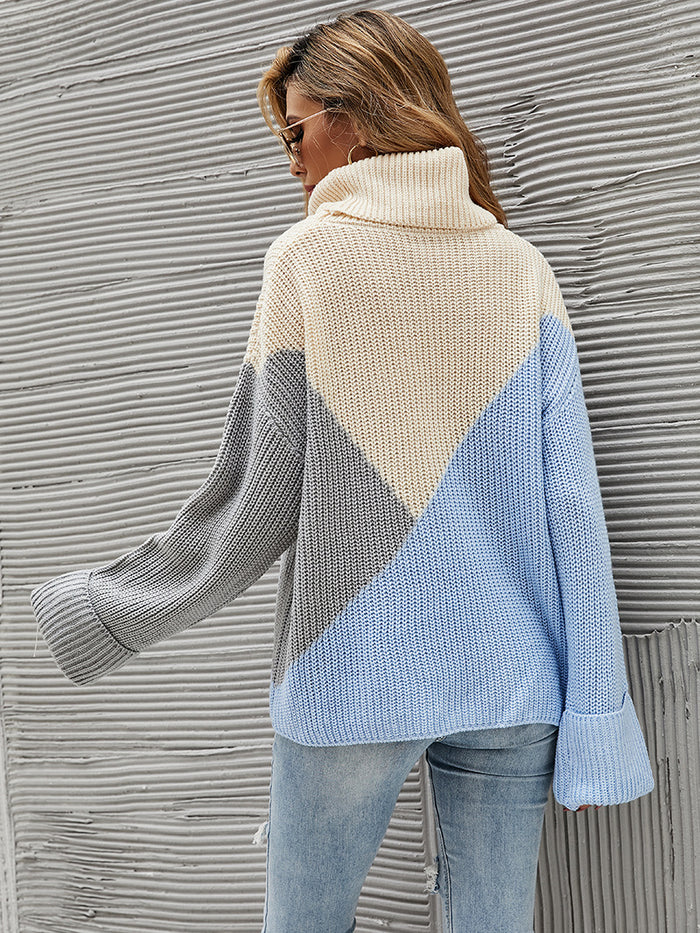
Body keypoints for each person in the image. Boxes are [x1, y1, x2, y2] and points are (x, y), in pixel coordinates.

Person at [30, 9, 655, 933]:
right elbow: (573, 506)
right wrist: (595, 707)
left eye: (295, 132)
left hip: (351, 669)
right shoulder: (521, 269)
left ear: (355, 118)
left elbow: (254, 499)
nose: (290, 161)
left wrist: (108, 607)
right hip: (513, 679)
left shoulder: (309, 260)